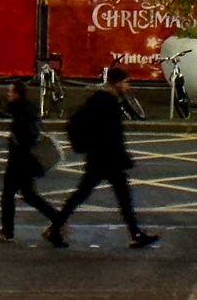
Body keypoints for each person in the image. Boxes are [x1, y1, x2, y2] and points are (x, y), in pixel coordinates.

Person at [44, 66, 157, 249]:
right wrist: (88, 146)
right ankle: (55, 229)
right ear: (117, 83)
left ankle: (135, 234)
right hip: (104, 159)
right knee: (97, 196)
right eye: (126, 82)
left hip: (104, 159)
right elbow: (107, 133)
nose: (128, 86)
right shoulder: (103, 101)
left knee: (109, 197)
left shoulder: (108, 100)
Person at [0, 81, 59, 242]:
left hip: (20, 161)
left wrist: (15, 140)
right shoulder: (23, 109)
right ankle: (57, 219)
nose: (8, 95)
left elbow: (26, 136)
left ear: (17, 94)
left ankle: (7, 231)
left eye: (10, 92)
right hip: (23, 160)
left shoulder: (22, 111)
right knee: (29, 195)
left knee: (10, 195)